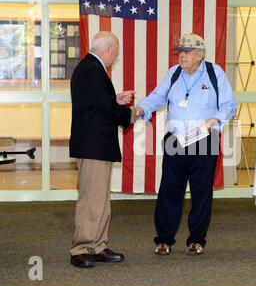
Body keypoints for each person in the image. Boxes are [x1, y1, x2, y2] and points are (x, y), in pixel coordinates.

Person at [133, 33, 238, 256]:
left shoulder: (214, 73)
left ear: (199, 55)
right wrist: (141, 108)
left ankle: (196, 240)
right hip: (176, 141)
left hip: (204, 141)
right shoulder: (173, 73)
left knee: (201, 192)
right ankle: (164, 240)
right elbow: (157, 96)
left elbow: (229, 105)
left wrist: (215, 120)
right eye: (180, 52)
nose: (182, 56)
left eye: (187, 52)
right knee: (170, 191)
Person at [69, 31, 136, 268]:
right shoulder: (93, 70)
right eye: (116, 51)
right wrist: (130, 114)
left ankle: (97, 245)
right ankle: (80, 249)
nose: (116, 56)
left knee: (100, 199)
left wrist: (115, 99)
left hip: (96, 143)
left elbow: (98, 103)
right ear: (107, 49)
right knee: (91, 200)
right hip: (93, 144)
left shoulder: (89, 68)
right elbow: (104, 110)